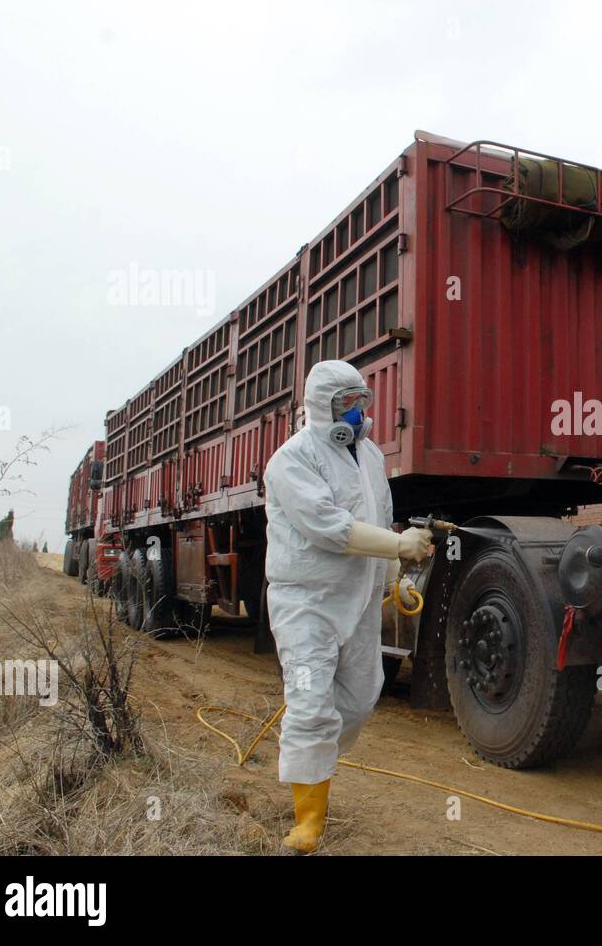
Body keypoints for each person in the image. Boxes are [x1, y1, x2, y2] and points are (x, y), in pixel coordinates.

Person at [263, 360, 432, 853]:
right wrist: (399, 547)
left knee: (361, 697)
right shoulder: (292, 460)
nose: (358, 411)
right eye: (347, 403)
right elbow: (331, 528)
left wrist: (396, 575)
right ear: (323, 405)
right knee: (312, 704)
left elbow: (382, 519)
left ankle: (310, 762)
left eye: (362, 400)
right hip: (306, 602)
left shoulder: (372, 457)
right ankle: (308, 821)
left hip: (357, 599)